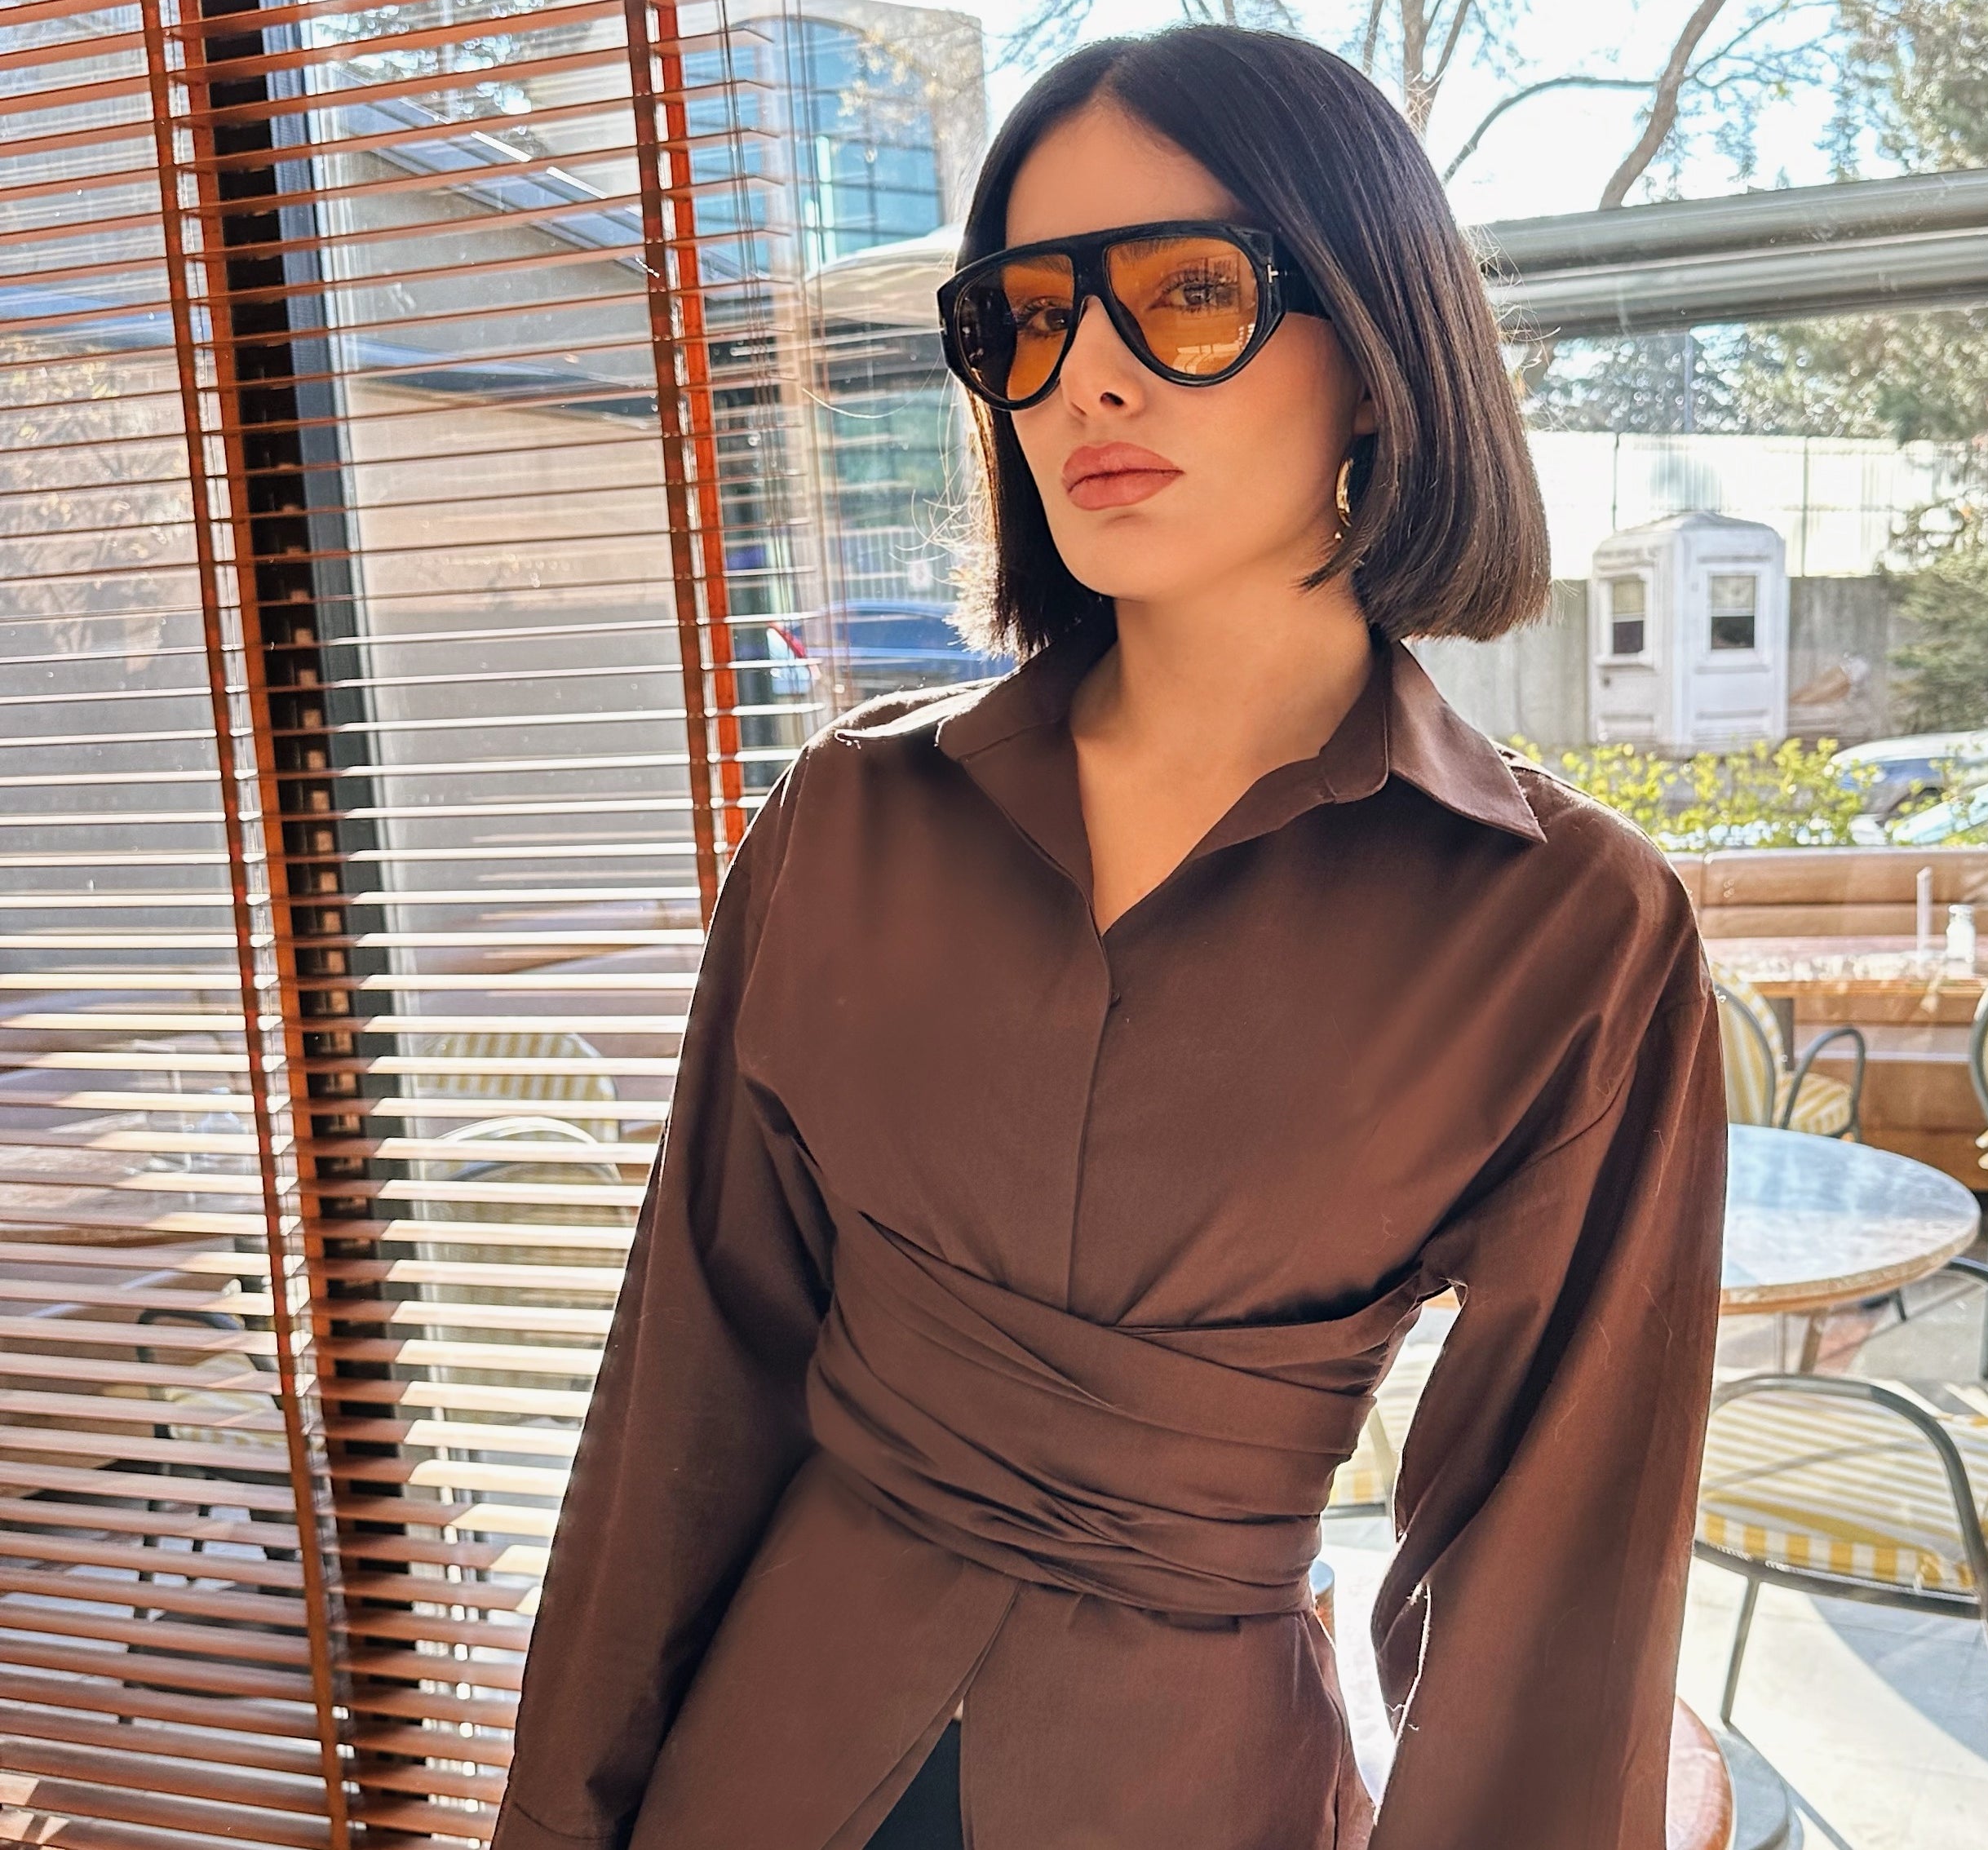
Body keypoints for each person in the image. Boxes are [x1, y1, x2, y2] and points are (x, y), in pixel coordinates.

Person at [492, 24, 1727, 1850]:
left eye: (1187, 292)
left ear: (1377, 348)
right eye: (1026, 317)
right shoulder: (846, 830)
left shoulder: (1570, 929)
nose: (1086, 376)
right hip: (761, 1760)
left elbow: (1559, 1586)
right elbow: (684, 1400)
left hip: (1190, 1781)